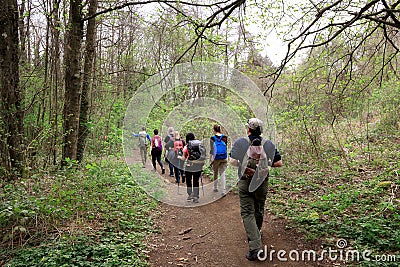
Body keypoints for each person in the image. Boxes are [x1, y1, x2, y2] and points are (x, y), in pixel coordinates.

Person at [230, 118, 282, 261]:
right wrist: (265, 166)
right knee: (259, 208)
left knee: (247, 212)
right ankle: (257, 232)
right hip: (262, 182)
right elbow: (279, 163)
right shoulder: (268, 144)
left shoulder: (241, 142)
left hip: (245, 182)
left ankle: (255, 248)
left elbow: (233, 162)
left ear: (249, 129)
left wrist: (244, 164)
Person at [179, 132, 205, 203]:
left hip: (189, 165)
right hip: (198, 165)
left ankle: (190, 194)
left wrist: (179, 157)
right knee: (196, 181)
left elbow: (184, 158)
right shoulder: (199, 145)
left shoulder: (186, 147)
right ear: (194, 138)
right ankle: (196, 196)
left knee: (188, 180)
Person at [209, 124, 228, 196]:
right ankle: (223, 191)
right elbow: (225, 148)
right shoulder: (225, 137)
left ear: (214, 130)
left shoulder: (212, 138)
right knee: (223, 174)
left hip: (216, 158)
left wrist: (210, 159)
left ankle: (215, 187)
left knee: (215, 173)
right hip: (224, 157)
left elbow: (211, 150)